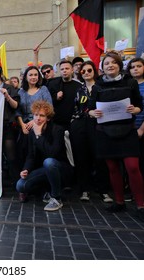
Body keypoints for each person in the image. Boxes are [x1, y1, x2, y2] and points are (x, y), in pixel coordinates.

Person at [89, 51, 144, 220]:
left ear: (119, 65)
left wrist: (135, 110)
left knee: (133, 167)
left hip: (127, 130)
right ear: (102, 68)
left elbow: (139, 105)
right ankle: (119, 201)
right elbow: (89, 109)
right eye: (106, 63)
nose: (110, 65)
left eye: (113, 62)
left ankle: (141, 205)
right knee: (112, 168)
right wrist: (93, 112)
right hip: (105, 132)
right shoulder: (97, 85)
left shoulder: (131, 83)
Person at [16, 100, 73, 211]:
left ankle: (56, 198)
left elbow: (52, 153)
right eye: (36, 115)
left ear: (48, 118)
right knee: (20, 185)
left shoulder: (57, 130)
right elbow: (30, 155)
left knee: (49, 162)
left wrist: (39, 135)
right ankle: (46, 191)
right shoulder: (33, 132)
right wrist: (26, 169)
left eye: (42, 115)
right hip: (43, 170)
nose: (38, 118)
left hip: (60, 168)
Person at [70, 61, 113, 203]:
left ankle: (103, 190)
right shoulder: (78, 90)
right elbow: (76, 109)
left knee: (100, 158)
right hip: (81, 128)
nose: (87, 73)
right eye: (83, 71)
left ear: (94, 71)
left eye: (89, 70)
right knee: (82, 159)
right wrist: (88, 113)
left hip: (99, 127)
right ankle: (84, 189)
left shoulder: (101, 88)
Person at [0, 64, 20, 184]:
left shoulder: (9, 88)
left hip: (7, 126)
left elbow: (16, 105)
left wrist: (6, 95)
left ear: (0, 74)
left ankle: (17, 184)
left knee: (11, 156)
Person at [17, 66, 52, 171]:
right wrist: (22, 125)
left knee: (39, 152)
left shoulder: (43, 89)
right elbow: (17, 110)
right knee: (24, 151)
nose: (33, 77)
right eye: (31, 75)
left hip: (41, 124)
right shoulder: (21, 92)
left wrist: (34, 121)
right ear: (26, 77)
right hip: (24, 126)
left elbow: (49, 107)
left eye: (35, 75)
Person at [47, 60, 82, 130]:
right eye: (62, 69)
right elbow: (47, 101)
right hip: (57, 123)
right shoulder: (53, 84)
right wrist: (56, 98)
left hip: (73, 122)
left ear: (72, 70)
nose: (64, 71)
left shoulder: (79, 86)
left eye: (67, 68)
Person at [128, 58, 144, 177]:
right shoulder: (127, 86)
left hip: (141, 128)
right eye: (132, 67)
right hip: (129, 130)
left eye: (138, 66)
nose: (135, 69)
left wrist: (142, 129)